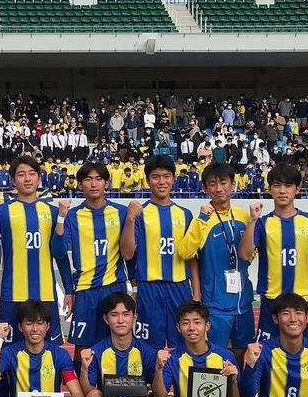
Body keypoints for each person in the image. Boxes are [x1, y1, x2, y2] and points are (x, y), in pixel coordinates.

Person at [0, 155, 74, 343]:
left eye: (32, 174)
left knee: (48, 356)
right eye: (21, 174)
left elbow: (60, 256)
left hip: (46, 296)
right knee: (6, 356)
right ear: (13, 180)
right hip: (12, 297)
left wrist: (68, 289)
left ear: (39, 178)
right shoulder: (2, 211)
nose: (27, 179)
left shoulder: (53, 212)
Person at [239, 164, 308, 342]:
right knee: (266, 357)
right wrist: (252, 221)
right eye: (277, 186)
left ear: (296, 189)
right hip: (272, 301)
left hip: (305, 301)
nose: (282, 191)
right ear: (270, 189)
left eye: (288, 186)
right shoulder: (262, 223)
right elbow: (244, 254)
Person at [82, 292, 173, 397]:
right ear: (105, 319)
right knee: (93, 396)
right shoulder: (97, 351)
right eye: (114, 315)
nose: (120, 320)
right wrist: (83, 369)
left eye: (126, 314)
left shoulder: (147, 352)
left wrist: (159, 371)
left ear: (134, 317)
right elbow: (88, 394)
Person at [177, 162, 254, 362]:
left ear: (233, 184)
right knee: (216, 356)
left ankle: (237, 393)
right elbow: (185, 253)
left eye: (223, 182)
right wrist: (202, 219)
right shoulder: (202, 219)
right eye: (212, 184)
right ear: (205, 188)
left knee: (242, 353)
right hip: (215, 304)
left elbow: (249, 254)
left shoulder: (244, 216)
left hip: (243, 302)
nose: (219, 189)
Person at [120, 155, 197, 348]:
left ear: (173, 179)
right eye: (155, 177)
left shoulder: (185, 214)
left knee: (183, 344)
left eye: (166, 176)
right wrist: (130, 220)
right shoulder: (140, 213)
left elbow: (192, 257)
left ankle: (178, 378)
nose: (161, 182)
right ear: (147, 180)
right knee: (147, 345)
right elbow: (128, 254)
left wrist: (196, 293)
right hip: (149, 288)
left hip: (179, 287)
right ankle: (151, 379)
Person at [53, 162, 128, 353]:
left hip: (114, 288)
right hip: (85, 291)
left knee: (118, 344)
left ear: (106, 184)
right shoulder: (72, 216)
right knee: (83, 349)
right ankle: (83, 383)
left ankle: (113, 384)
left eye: (98, 179)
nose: (93, 184)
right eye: (88, 179)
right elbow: (59, 252)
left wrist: (134, 288)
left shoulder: (121, 213)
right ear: (79, 184)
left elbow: (131, 255)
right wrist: (61, 218)